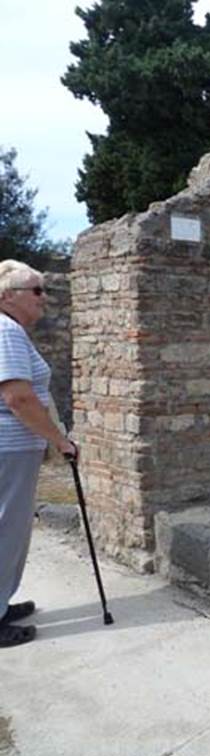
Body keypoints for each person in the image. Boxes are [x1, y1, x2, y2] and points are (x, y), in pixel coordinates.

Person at [0, 259, 77, 648]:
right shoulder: (6, 331)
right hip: (8, 448)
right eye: (35, 290)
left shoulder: (9, 330)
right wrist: (59, 440)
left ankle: (1, 603)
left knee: (12, 528)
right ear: (7, 296)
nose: (43, 298)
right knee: (6, 529)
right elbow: (18, 397)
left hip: (13, 449)